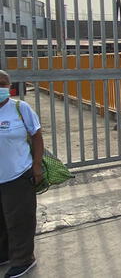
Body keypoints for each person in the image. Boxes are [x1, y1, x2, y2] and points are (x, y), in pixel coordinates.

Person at [0, 70, 43, 277]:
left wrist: (36, 166)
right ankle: (5, 254)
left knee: (20, 219)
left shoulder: (19, 108)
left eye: (2, 84)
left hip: (18, 174)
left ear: (9, 87)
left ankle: (24, 259)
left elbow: (36, 136)